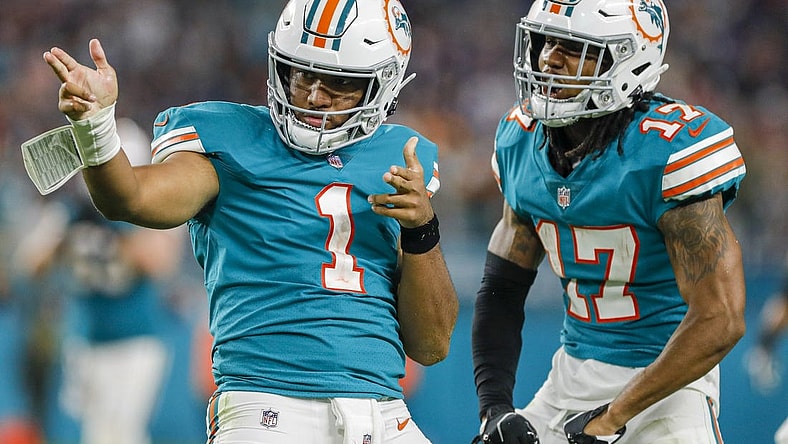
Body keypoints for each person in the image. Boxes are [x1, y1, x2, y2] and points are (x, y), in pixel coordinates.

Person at [37, 0, 458, 442]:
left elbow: (431, 345)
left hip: (383, 414)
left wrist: (421, 230)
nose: (314, 95)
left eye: (337, 82)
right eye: (300, 74)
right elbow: (129, 198)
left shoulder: (399, 160)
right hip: (267, 411)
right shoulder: (230, 140)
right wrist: (95, 127)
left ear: (384, 84)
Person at [470, 1, 746, 443]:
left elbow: (721, 318)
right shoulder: (522, 139)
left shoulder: (669, 151)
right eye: (546, 42)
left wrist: (610, 418)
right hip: (570, 377)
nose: (547, 59)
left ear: (630, 62)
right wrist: (496, 408)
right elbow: (501, 291)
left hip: (667, 386)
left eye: (574, 48)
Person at [15, 120, 183, 444]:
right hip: (83, 342)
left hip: (134, 342)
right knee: (94, 435)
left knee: (119, 435)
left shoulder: (147, 213)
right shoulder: (71, 212)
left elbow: (159, 262)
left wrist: (115, 228)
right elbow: (29, 265)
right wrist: (61, 232)